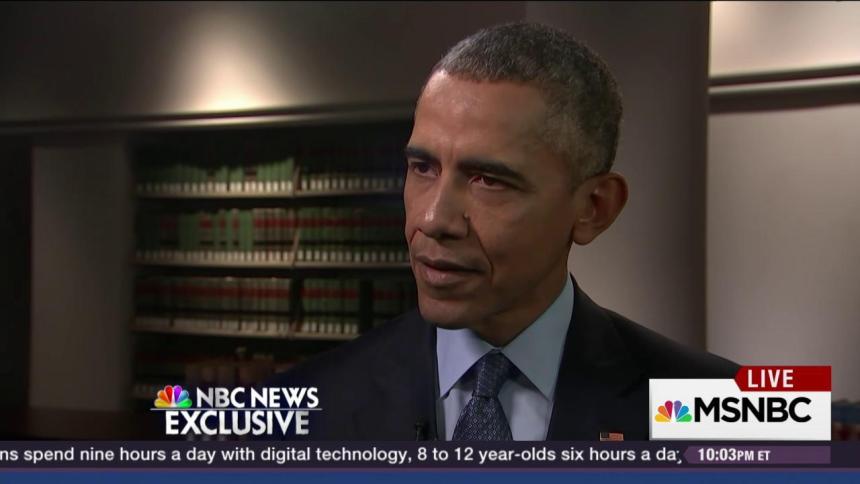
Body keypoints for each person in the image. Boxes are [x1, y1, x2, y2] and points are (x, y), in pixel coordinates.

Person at [267, 22, 737, 441]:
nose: (433, 220)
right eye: (423, 168)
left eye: (488, 180)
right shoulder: (299, 412)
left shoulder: (727, 407)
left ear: (594, 208)